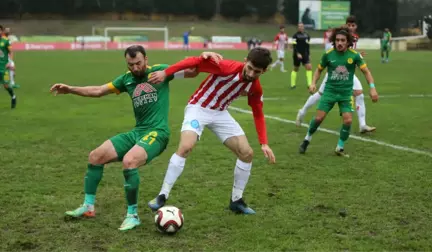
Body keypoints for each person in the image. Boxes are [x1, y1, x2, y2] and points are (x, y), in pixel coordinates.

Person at [50, 45, 221, 231]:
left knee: (129, 161)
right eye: (131, 64)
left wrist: (204, 57)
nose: (135, 68)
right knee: (95, 156)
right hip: (137, 132)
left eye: (138, 63)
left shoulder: (160, 72)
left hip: (158, 133)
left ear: (146, 59)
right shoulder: (126, 79)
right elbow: (99, 90)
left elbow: (191, 72)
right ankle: (88, 207)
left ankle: (133, 215)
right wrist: (70, 89)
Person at [147, 47, 277, 215]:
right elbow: (194, 62)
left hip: (220, 113)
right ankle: (162, 195)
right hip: (198, 108)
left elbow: (258, 113)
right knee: (186, 146)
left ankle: (236, 200)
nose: (251, 74)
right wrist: (166, 73)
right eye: (250, 68)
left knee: (247, 153)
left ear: (264, 71)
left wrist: (264, 143)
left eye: (257, 72)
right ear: (245, 61)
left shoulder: (255, 87)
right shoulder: (226, 67)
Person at [298, 26, 379, 157]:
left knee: (347, 121)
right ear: (334, 41)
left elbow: (366, 72)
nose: (339, 43)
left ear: (348, 42)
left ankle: (340, 147)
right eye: (337, 40)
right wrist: (313, 83)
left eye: (342, 40)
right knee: (319, 118)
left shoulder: (354, 56)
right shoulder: (328, 55)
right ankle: (307, 139)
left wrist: (372, 87)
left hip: (346, 94)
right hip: (330, 92)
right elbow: (319, 70)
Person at [290, 23, 312, 89]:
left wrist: (309, 54)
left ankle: (309, 84)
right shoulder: (295, 36)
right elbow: (294, 46)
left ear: (303, 27)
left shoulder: (307, 35)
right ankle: (292, 85)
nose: (300, 27)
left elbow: (307, 46)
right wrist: (297, 53)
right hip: (297, 54)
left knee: (309, 67)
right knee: (296, 68)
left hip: (305, 54)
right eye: (299, 26)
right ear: (298, 27)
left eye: (301, 26)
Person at [0, 25, 17, 108]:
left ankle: (13, 96)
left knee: (6, 86)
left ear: (2, 31)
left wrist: (10, 62)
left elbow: (11, 52)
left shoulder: (6, 41)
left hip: (4, 67)